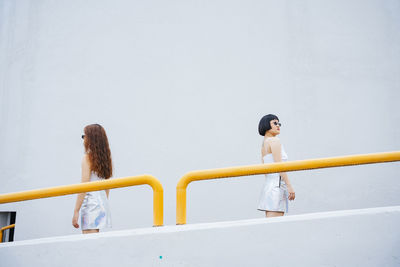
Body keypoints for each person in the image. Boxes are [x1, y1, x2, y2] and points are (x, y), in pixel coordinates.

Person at [72, 124, 112, 233]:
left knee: (89, 242)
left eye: (84, 136)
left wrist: (76, 210)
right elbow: (107, 186)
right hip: (101, 203)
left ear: (90, 138)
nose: (83, 139)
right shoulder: (105, 160)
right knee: (96, 240)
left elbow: (84, 185)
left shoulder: (87, 159)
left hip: (90, 203)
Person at [257, 114, 295, 217]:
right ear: (266, 125)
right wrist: (289, 186)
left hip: (269, 185)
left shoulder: (264, 144)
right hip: (277, 186)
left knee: (270, 224)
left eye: (279, 123)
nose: (278, 125)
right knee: (275, 226)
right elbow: (279, 165)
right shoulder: (274, 140)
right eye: (275, 123)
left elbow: (265, 170)